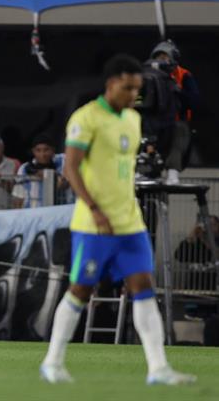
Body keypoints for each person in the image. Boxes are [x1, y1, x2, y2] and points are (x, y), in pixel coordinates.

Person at [40, 54, 196, 386]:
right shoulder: (86, 118)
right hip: (94, 225)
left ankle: (158, 369)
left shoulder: (132, 119)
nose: (134, 95)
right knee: (81, 289)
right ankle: (52, 362)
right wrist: (95, 209)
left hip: (130, 222)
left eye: (137, 89)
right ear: (111, 84)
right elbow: (70, 168)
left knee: (143, 288)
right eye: (128, 88)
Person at [139, 40, 198, 184]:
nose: (161, 61)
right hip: (151, 122)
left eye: (165, 58)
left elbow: (195, 101)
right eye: (158, 57)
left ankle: (172, 172)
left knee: (180, 131)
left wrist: (178, 91)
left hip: (173, 123)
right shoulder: (145, 74)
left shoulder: (183, 75)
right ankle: (143, 170)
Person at [10, 134, 69, 208]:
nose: (42, 154)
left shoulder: (63, 161)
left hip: (60, 212)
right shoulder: (25, 168)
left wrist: (53, 175)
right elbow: (18, 197)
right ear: (33, 151)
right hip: (33, 214)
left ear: (53, 150)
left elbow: (66, 182)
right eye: (38, 150)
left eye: (46, 150)